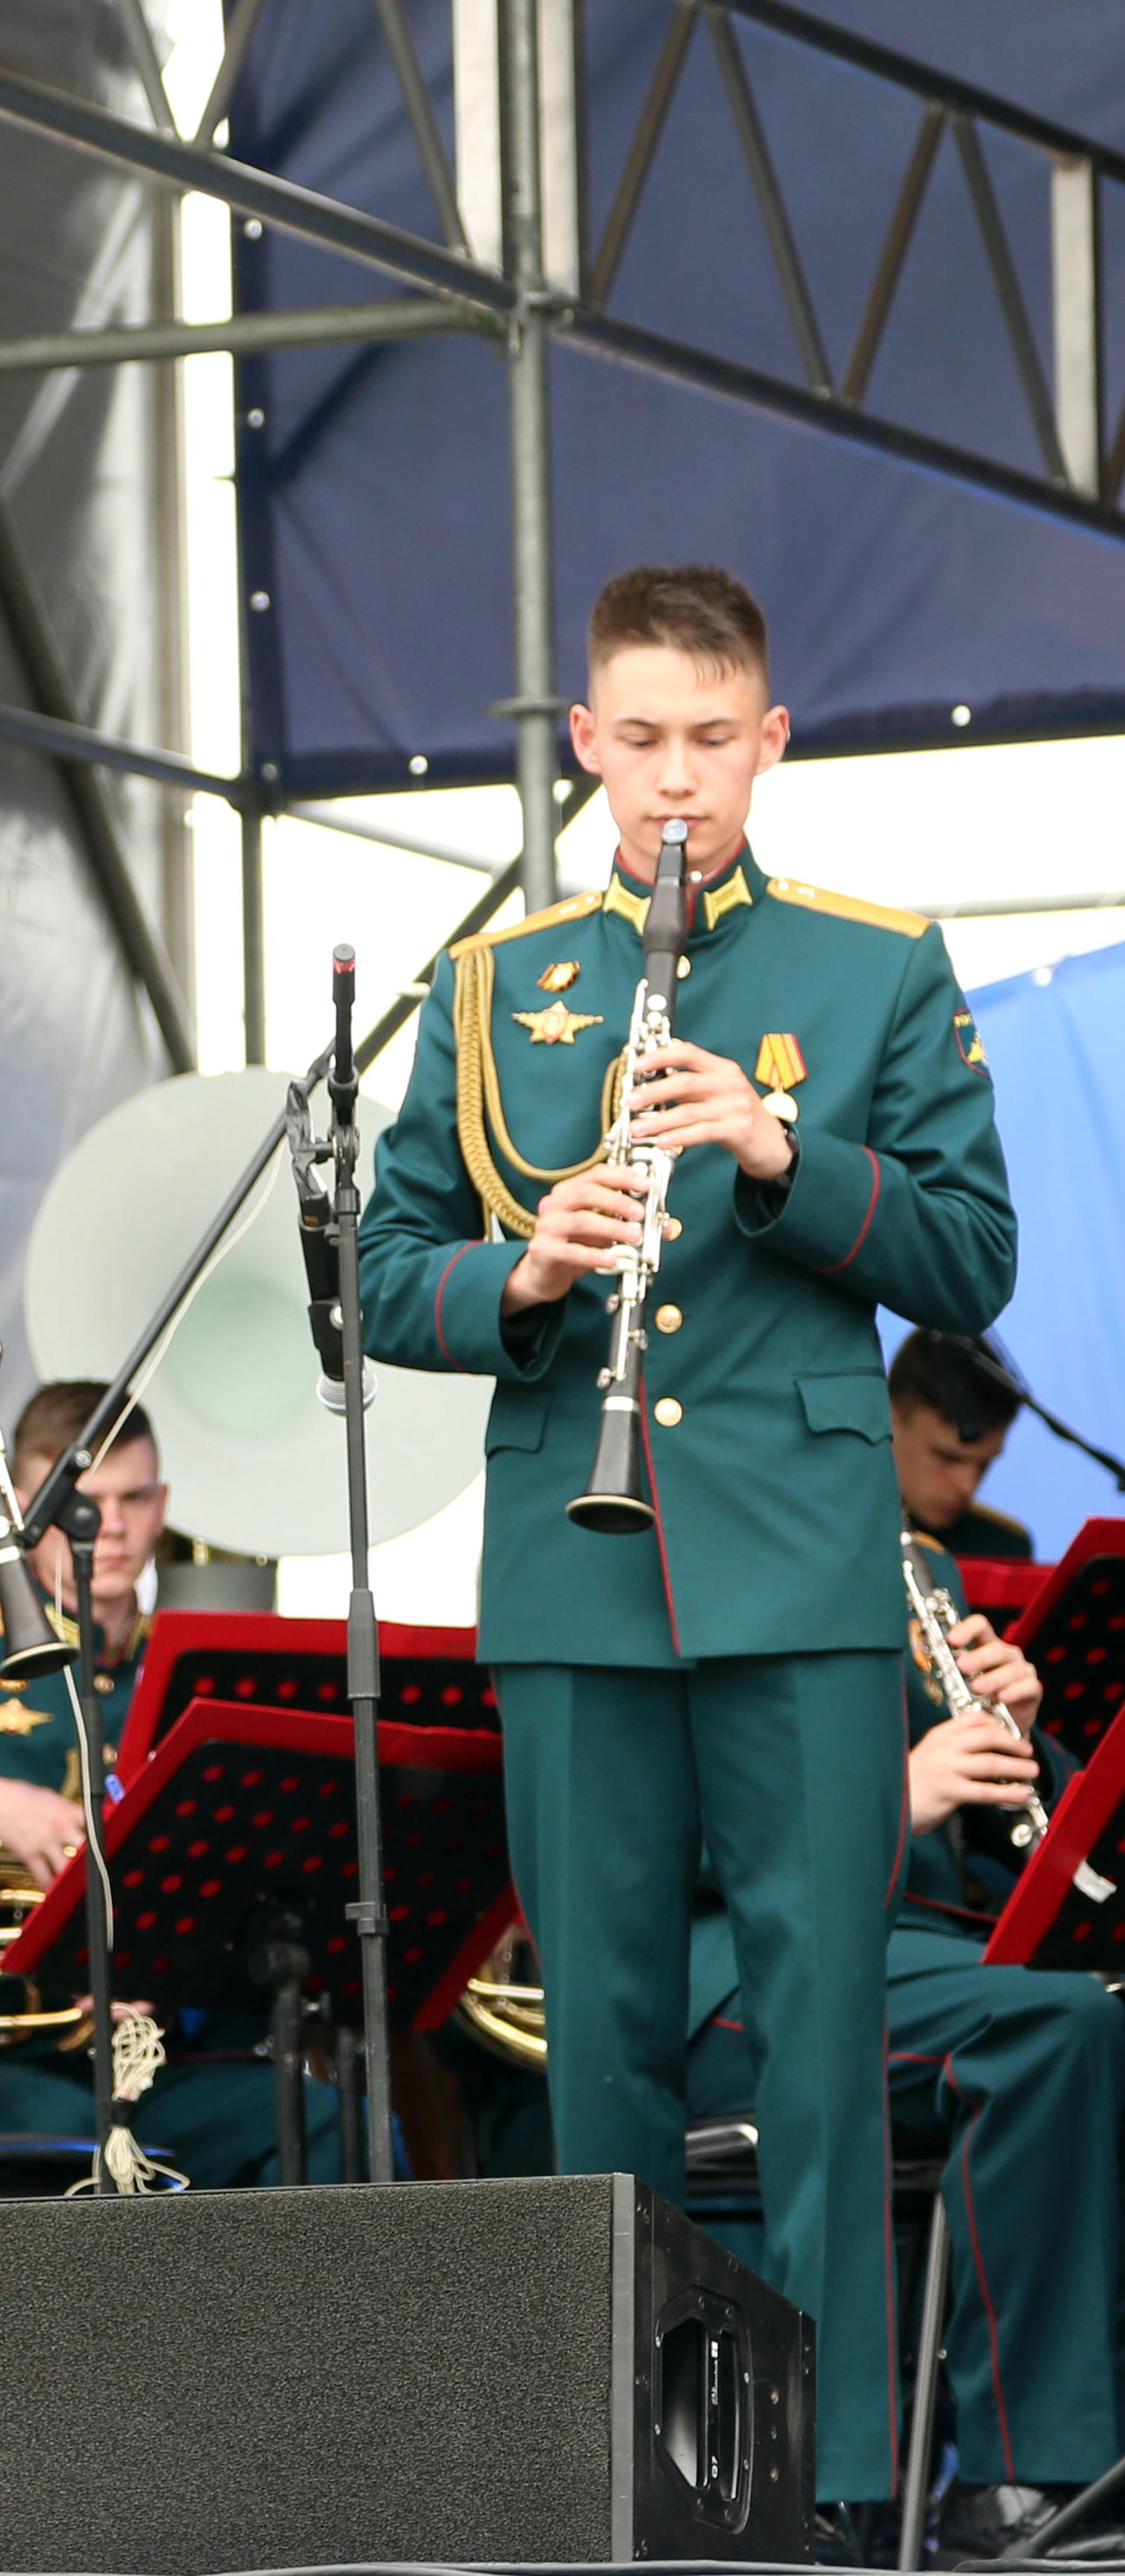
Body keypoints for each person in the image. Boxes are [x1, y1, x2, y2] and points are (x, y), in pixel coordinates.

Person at [358, 563, 1016, 2520]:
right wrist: (519, 1268)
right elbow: (382, 1270)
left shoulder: (874, 964)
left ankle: (827, 2489)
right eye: (636, 738)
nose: (672, 780)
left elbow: (975, 1256)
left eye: (710, 740)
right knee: (603, 2044)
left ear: (771, 740)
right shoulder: (491, 986)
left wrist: (780, 1150)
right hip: (575, 1567)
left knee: (820, 2039)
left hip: (802, 1570)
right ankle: (624, 2481)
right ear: (582, 740)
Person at [690, 1533, 1125, 2561]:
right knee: (1048, 2028)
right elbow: (632, 1829)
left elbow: (993, 1841)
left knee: (1074, 2008)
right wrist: (889, 1799)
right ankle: (1020, 2478)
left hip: (920, 1947)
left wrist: (1021, 1742)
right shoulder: (677, 1550)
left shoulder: (915, 1564)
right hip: (740, 1961)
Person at [0, 1378, 340, 2184]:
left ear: (162, 1504)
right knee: (81, 2153)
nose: (107, 1526)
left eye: (133, 1499)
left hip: (166, 2057)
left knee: (328, 2121)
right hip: (7, 2062)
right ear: (18, 1506)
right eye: (80, 1501)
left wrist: (162, 1967)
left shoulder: (206, 1675)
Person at [889, 1327, 1034, 1560]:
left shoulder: (1005, 1548)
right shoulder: (832, 1530)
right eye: (948, 1458)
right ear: (890, 1419)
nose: (966, 1487)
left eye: (984, 1464)